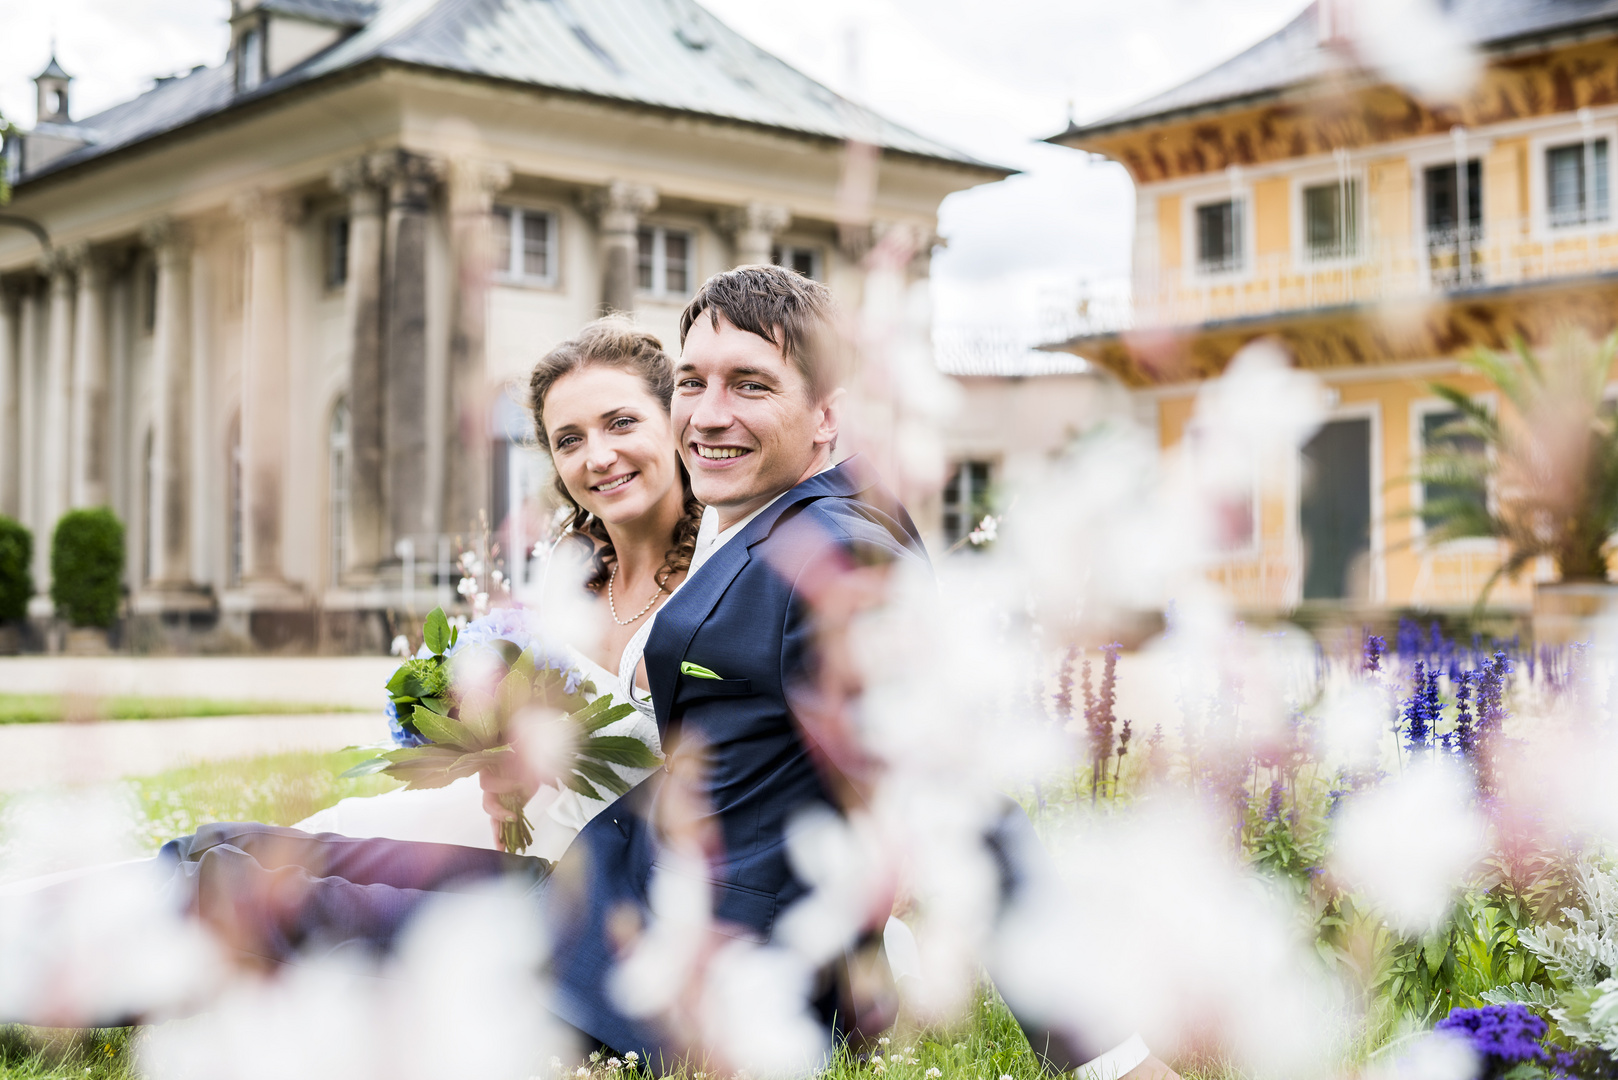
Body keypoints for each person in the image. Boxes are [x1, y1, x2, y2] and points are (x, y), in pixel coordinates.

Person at [293, 318, 698, 859]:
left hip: (619, 863)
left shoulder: (720, 578)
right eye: (569, 440)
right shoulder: (572, 564)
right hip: (519, 825)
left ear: (676, 424)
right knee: (326, 832)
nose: (597, 457)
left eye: (621, 423)